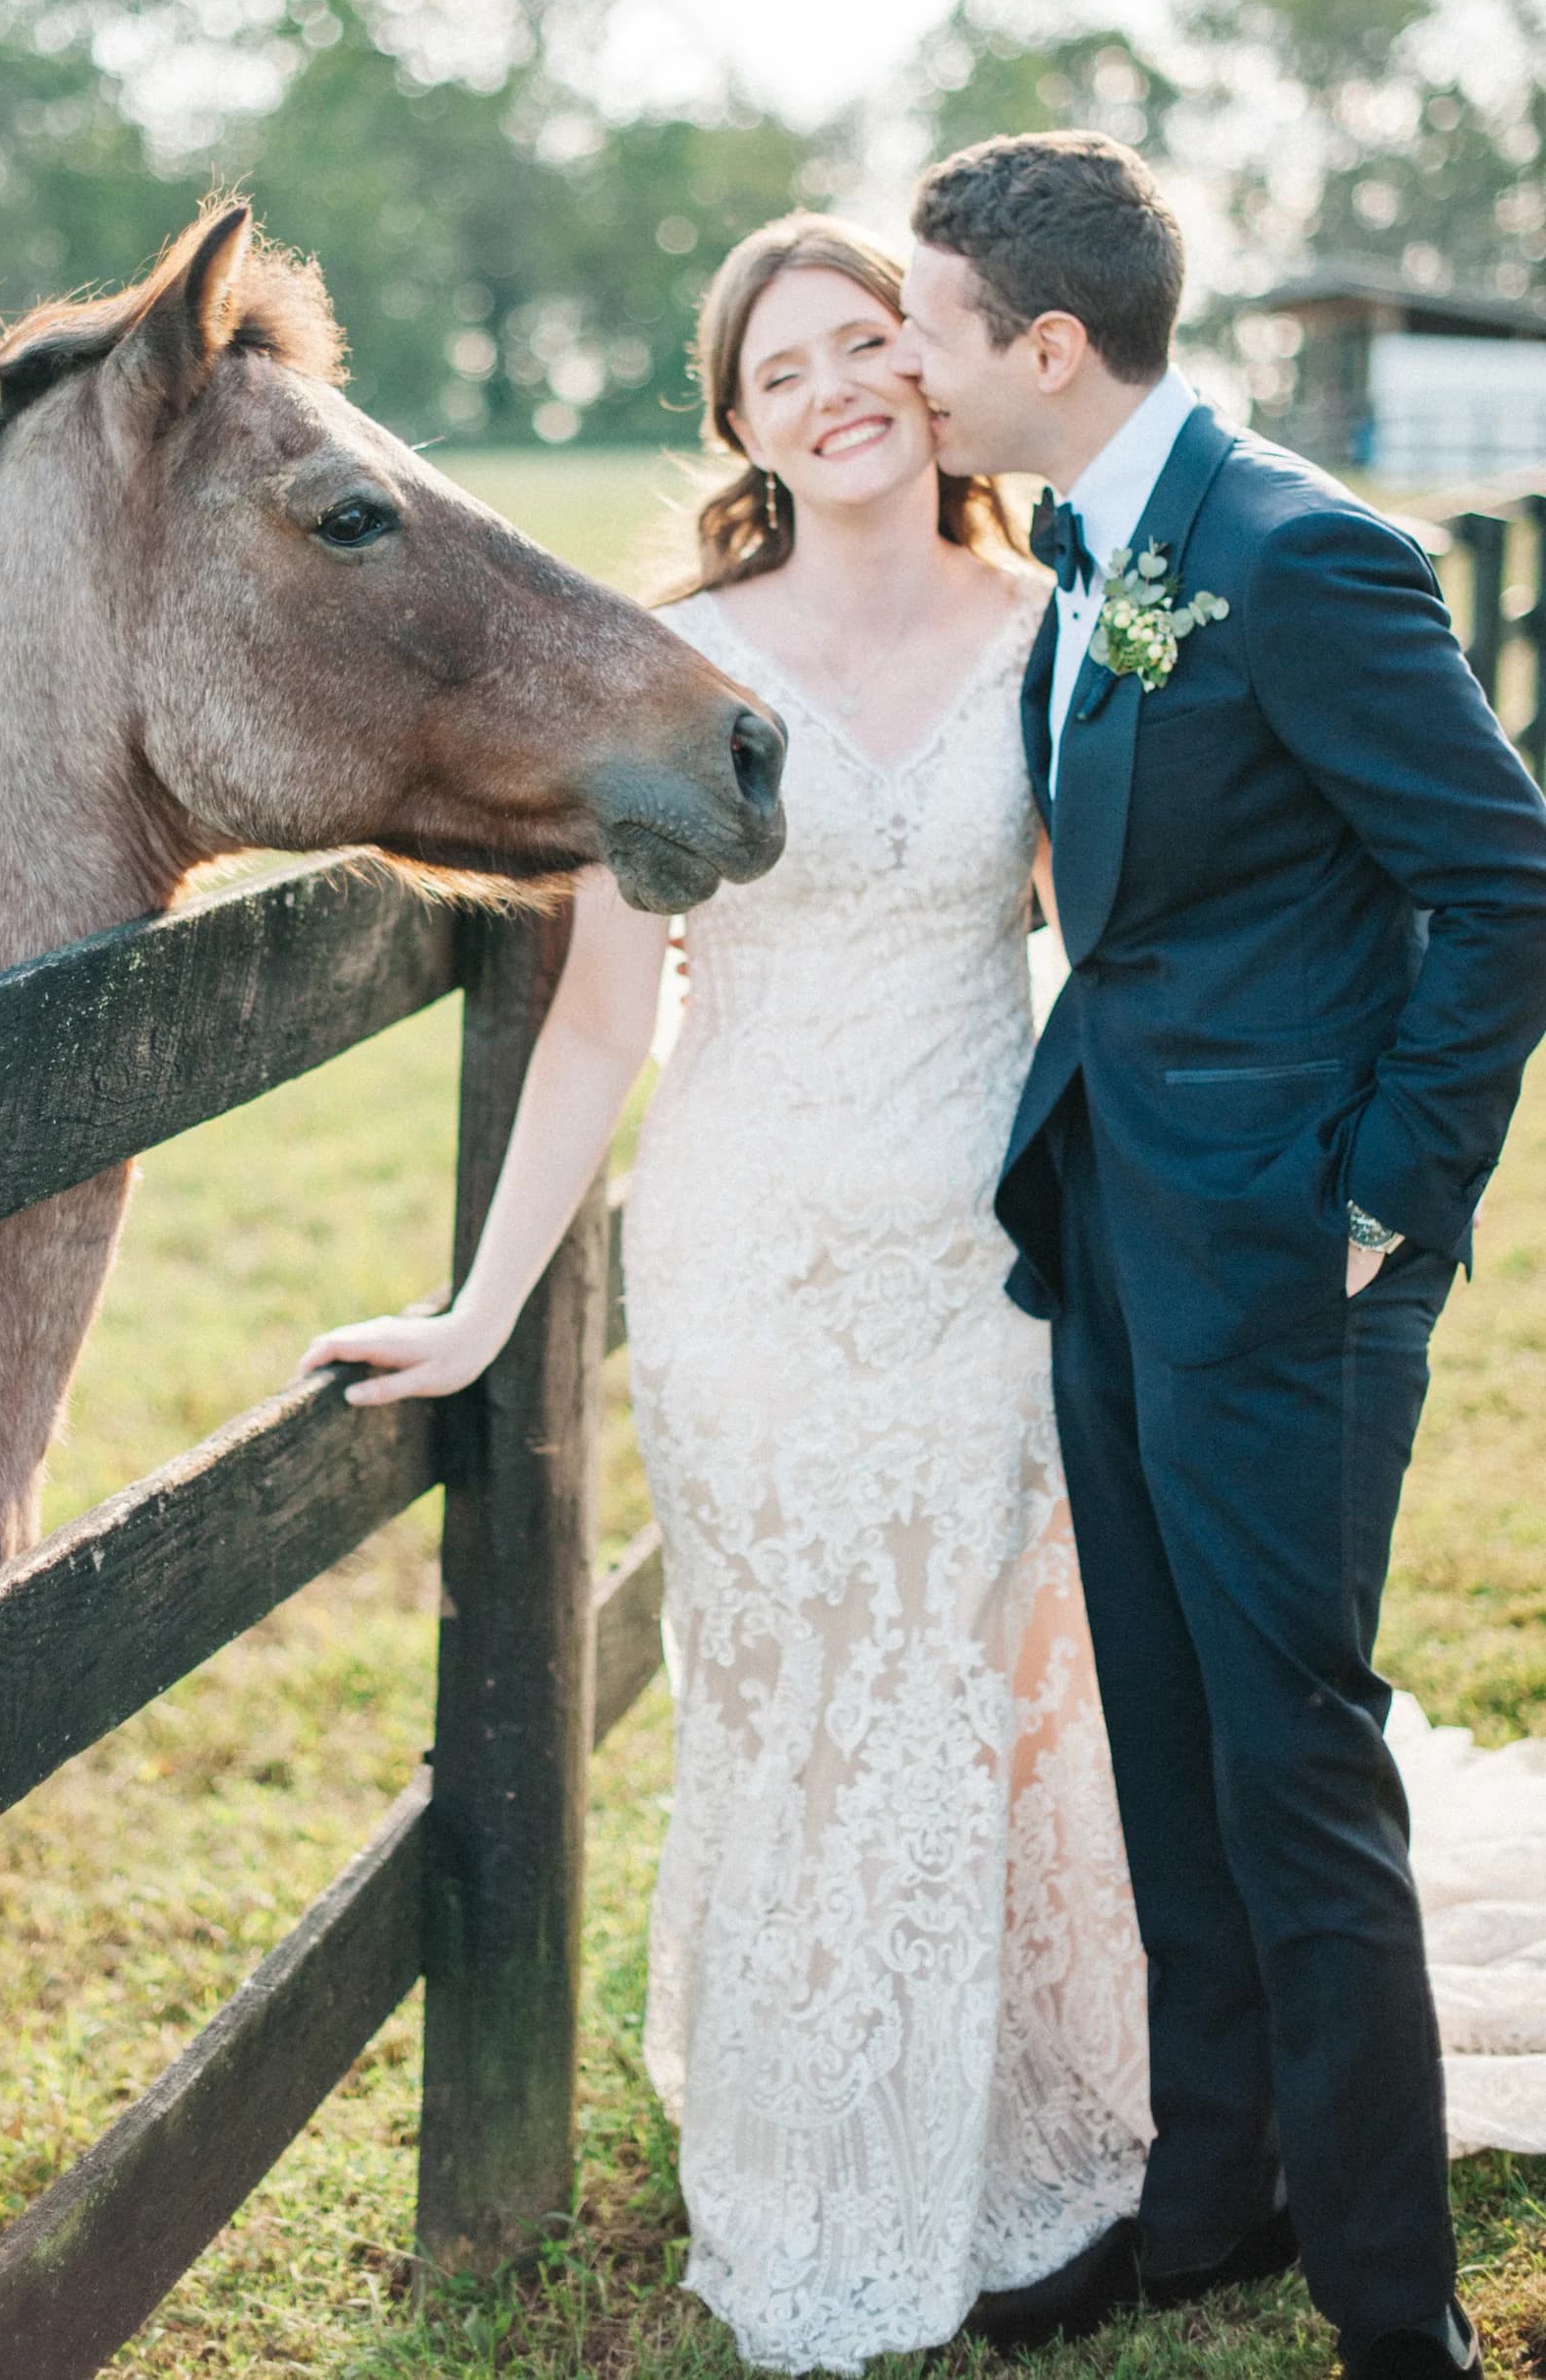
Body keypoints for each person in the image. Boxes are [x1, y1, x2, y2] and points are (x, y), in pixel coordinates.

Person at [303, 211, 1152, 2372]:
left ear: (936, 374)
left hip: (988, 1252)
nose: (837, 389)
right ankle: (810, 2174)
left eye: (868, 344)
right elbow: (603, 1021)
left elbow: (1114, 956)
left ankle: (1012, 2133)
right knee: (787, 1700)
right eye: (783, 373)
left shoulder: (1058, 633)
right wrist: (494, 1304)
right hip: (746, 1253)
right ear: (742, 428)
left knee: (986, 1692)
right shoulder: (667, 658)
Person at [892, 130, 1546, 2380]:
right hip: (1115, 1220)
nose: (914, 371)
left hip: (1291, 1262)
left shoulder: (1296, 553)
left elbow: (1502, 882)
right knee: (1164, 1734)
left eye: (933, 332)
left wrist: (1384, 1194)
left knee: (1291, 1760)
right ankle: (1206, 2204)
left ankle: (1389, 2307)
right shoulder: (1088, 550)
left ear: (1047, 345)